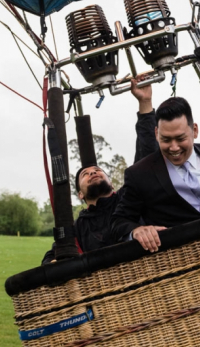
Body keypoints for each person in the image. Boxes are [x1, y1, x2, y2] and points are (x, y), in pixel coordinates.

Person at [42, 79, 157, 260]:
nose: (93, 172)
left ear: (111, 183)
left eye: (97, 170)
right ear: (80, 194)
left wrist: (145, 103)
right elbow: (54, 253)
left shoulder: (127, 199)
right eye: (85, 175)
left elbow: (147, 156)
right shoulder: (79, 226)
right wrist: (52, 262)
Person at [111, 96, 200, 252]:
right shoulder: (138, 174)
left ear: (195, 130)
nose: (173, 147)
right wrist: (136, 231)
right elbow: (118, 221)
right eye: (166, 139)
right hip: (178, 260)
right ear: (156, 133)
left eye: (180, 138)